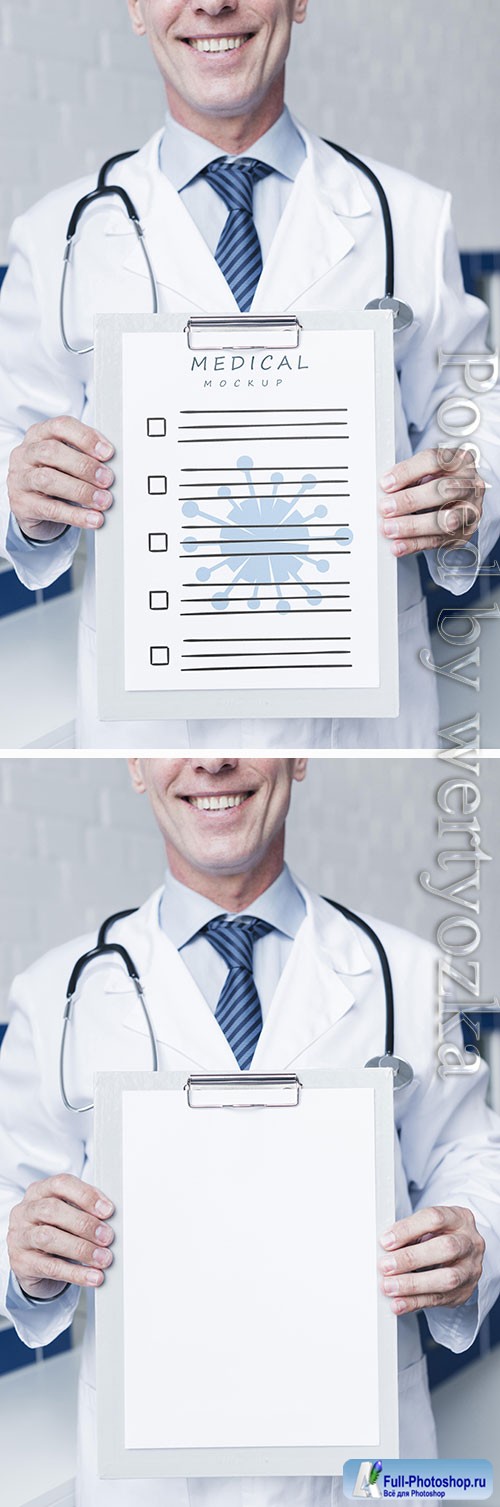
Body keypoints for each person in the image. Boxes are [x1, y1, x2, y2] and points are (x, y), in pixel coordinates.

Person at [0, 755, 499, 1507]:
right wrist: (23, 1249)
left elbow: (471, 1155)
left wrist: (471, 1234)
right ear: (136, 764)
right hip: (153, 1482)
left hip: (364, 1472)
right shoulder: (56, 992)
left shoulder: (413, 974)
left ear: (298, 754)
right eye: (178, 736)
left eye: (249, 726)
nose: (213, 759)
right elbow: (9, 1193)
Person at [0, 1, 498, 750]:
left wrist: (468, 491)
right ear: (137, 8)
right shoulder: (57, 236)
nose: (212, 4)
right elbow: (9, 445)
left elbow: (474, 421)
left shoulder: (410, 219)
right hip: (154, 727)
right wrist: (25, 495)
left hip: (360, 729)